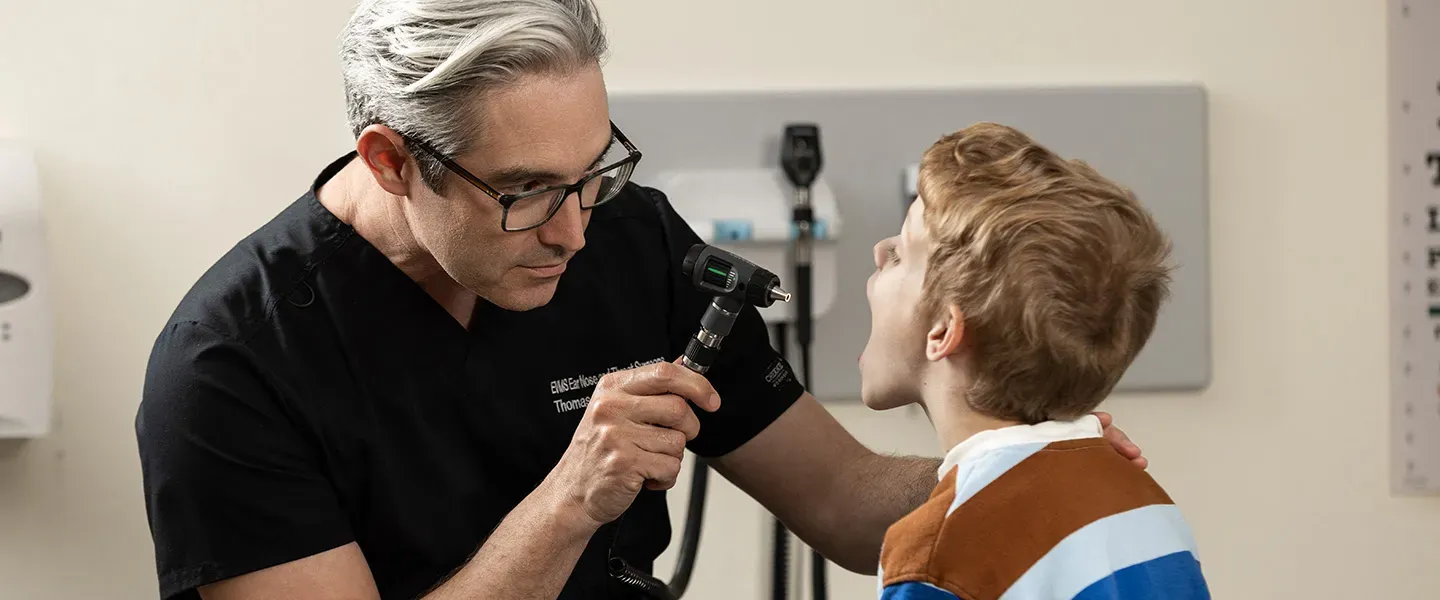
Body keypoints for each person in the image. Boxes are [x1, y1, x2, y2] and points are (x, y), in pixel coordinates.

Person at [132, 2, 1147, 599]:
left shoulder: (628, 240)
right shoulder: (231, 369)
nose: (577, 231)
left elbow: (841, 502)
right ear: (393, 160)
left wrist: (1022, 463)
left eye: (595, 170)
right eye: (526, 192)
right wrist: (572, 499)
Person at [862, 123, 1209, 600]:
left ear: (944, 330)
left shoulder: (938, 555)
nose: (879, 252)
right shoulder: (1145, 506)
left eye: (900, 253)